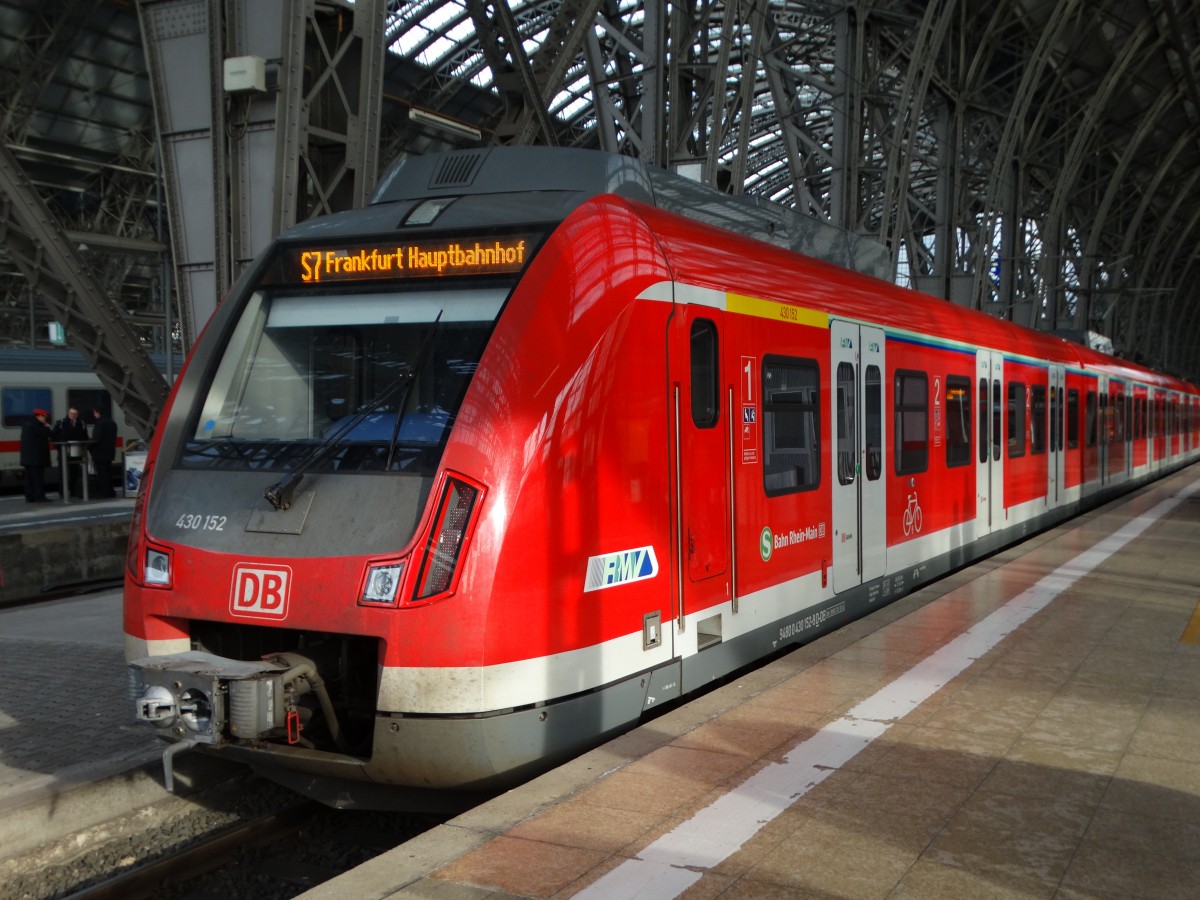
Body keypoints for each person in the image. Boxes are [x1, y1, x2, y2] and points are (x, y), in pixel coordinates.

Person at [51, 406, 88, 498]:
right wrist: (58, 447)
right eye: (71, 413)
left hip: (76, 452)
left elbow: (85, 436)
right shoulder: (61, 423)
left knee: (74, 473)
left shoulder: (81, 423)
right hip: (63, 451)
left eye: (75, 414)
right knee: (62, 473)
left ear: (77, 414)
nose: (73, 415)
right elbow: (53, 436)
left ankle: (73, 491)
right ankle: (62, 492)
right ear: (68, 413)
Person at [20, 408, 52, 502]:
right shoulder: (38, 426)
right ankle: (39, 496)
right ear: (40, 416)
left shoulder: (26, 424)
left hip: (27, 458)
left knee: (29, 479)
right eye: (44, 417)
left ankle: (29, 497)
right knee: (38, 479)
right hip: (37, 458)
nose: (45, 419)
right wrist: (47, 427)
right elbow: (49, 434)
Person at [89, 407, 118, 498]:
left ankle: (105, 493)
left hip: (100, 453)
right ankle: (111, 492)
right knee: (108, 472)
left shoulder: (100, 424)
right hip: (110, 452)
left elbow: (96, 439)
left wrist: (89, 447)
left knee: (102, 474)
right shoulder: (112, 423)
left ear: (96, 412)